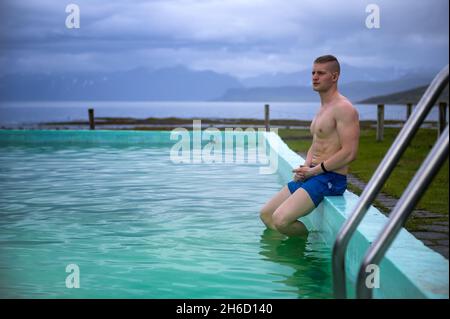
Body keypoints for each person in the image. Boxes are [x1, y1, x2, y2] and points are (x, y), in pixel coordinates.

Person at [260, 55, 360, 237]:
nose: (315, 77)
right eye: (313, 72)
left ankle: (306, 252)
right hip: (313, 174)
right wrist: (306, 166)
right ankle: (289, 252)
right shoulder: (323, 107)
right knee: (266, 215)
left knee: (281, 220)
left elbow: (349, 153)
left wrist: (315, 171)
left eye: (321, 73)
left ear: (334, 77)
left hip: (331, 178)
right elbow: (317, 142)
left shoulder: (344, 108)